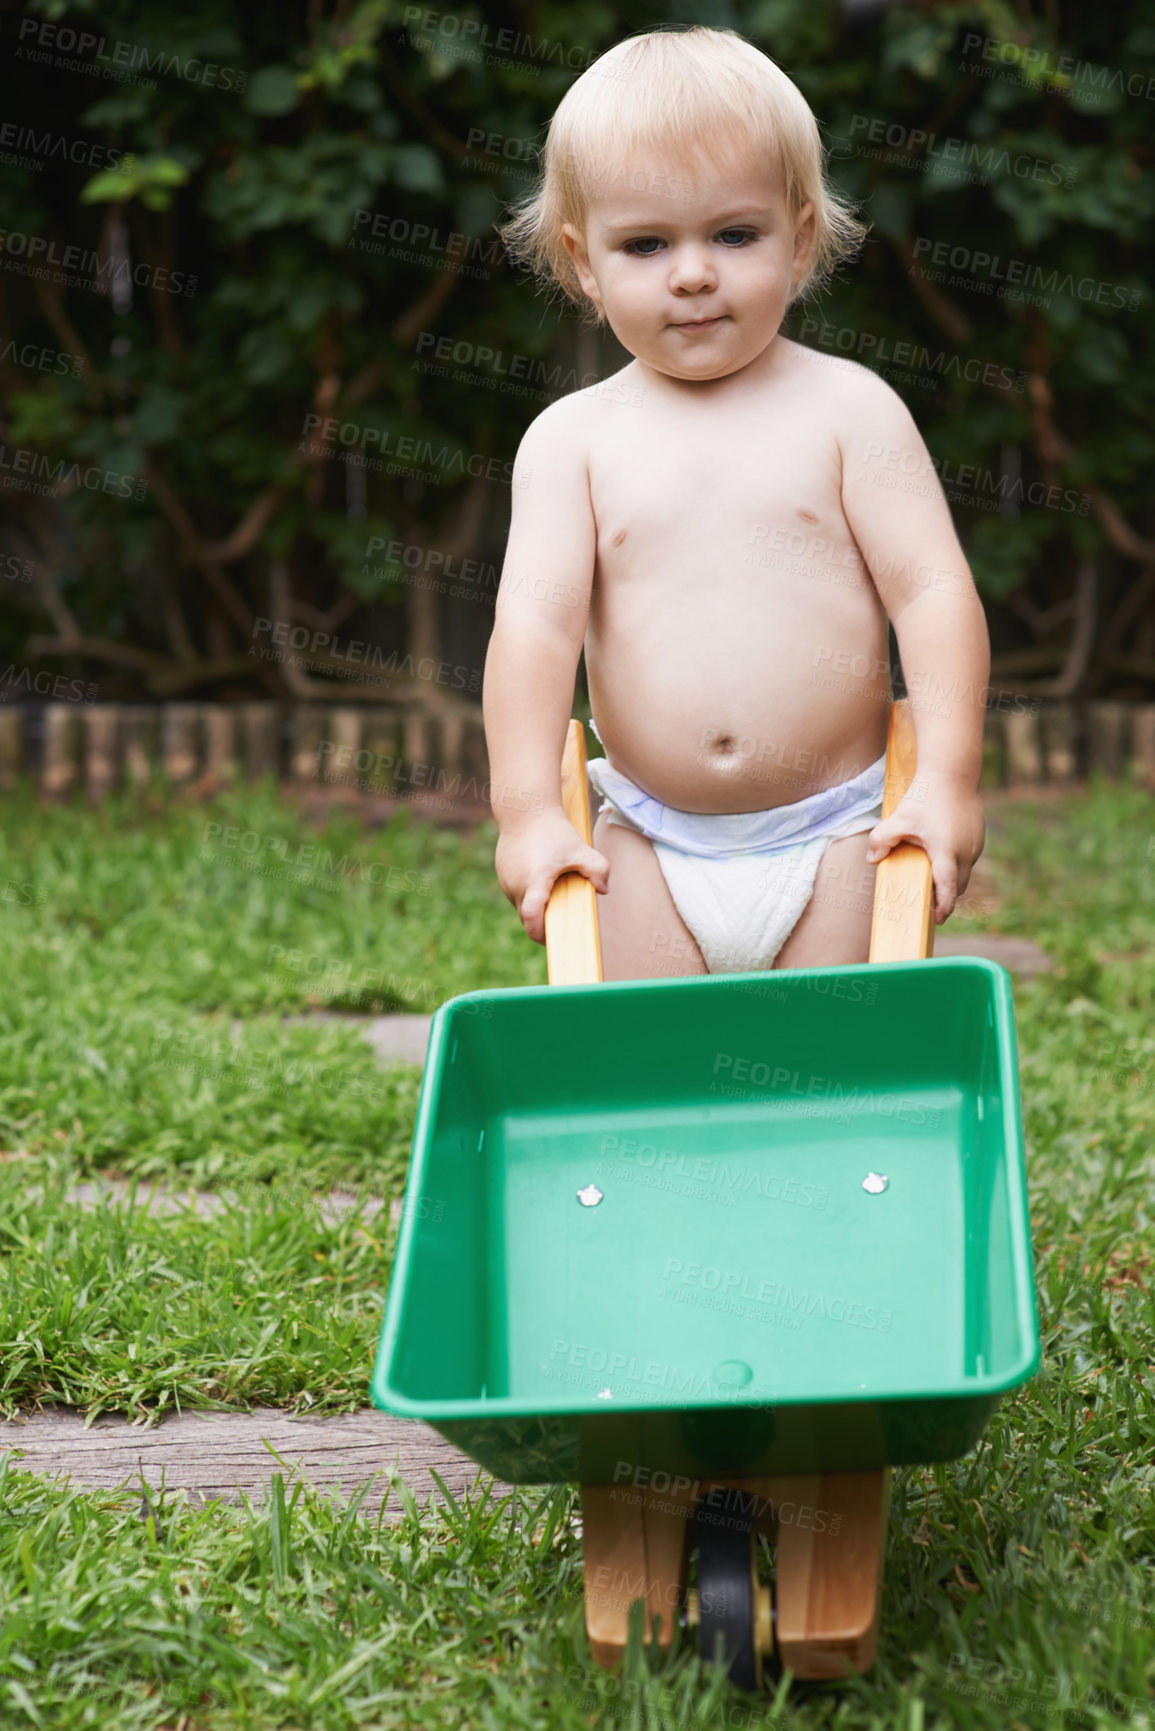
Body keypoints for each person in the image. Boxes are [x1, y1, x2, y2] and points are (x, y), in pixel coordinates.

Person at [482, 24, 987, 982]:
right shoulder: (572, 442)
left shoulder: (849, 413)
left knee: (826, 1063)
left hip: (840, 830)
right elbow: (534, 634)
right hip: (643, 839)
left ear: (797, 240)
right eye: (645, 243)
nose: (692, 273)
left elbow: (932, 595)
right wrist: (529, 815)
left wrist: (949, 781)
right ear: (584, 262)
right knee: (649, 1069)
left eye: (733, 233)